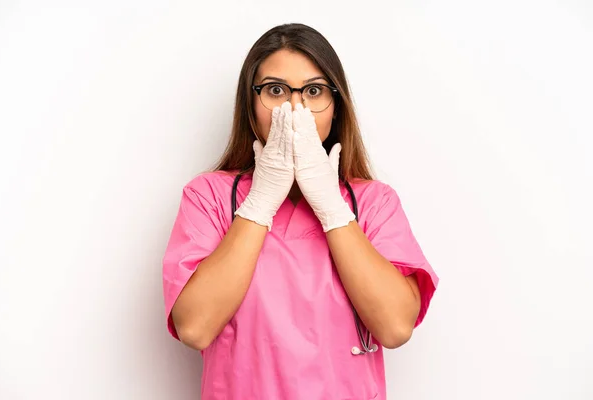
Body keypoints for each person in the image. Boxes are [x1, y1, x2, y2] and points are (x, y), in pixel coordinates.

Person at [162, 23, 439, 400]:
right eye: (275, 90)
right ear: (250, 102)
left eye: (313, 91)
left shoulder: (374, 202)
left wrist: (330, 205)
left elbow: (394, 328)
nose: (295, 107)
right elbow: (194, 327)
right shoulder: (209, 197)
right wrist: (260, 202)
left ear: (336, 105)